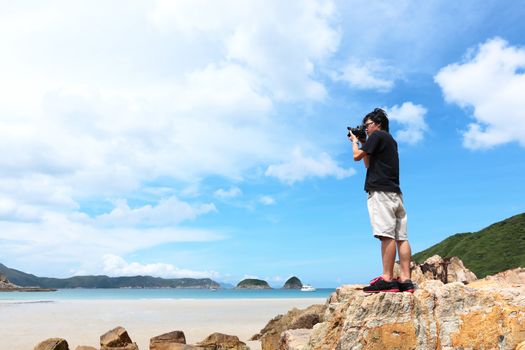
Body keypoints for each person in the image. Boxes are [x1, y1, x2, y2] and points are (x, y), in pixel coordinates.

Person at [348, 108, 415, 293]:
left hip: (382, 193)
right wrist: (363, 142)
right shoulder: (390, 141)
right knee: (402, 237)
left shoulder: (378, 136)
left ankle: (387, 278)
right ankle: (405, 279)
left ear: (378, 124)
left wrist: (355, 142)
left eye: (367, 125)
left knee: (386, 234)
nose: (366, 129)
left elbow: (356, 157)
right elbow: (368, 163)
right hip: (396, 194)